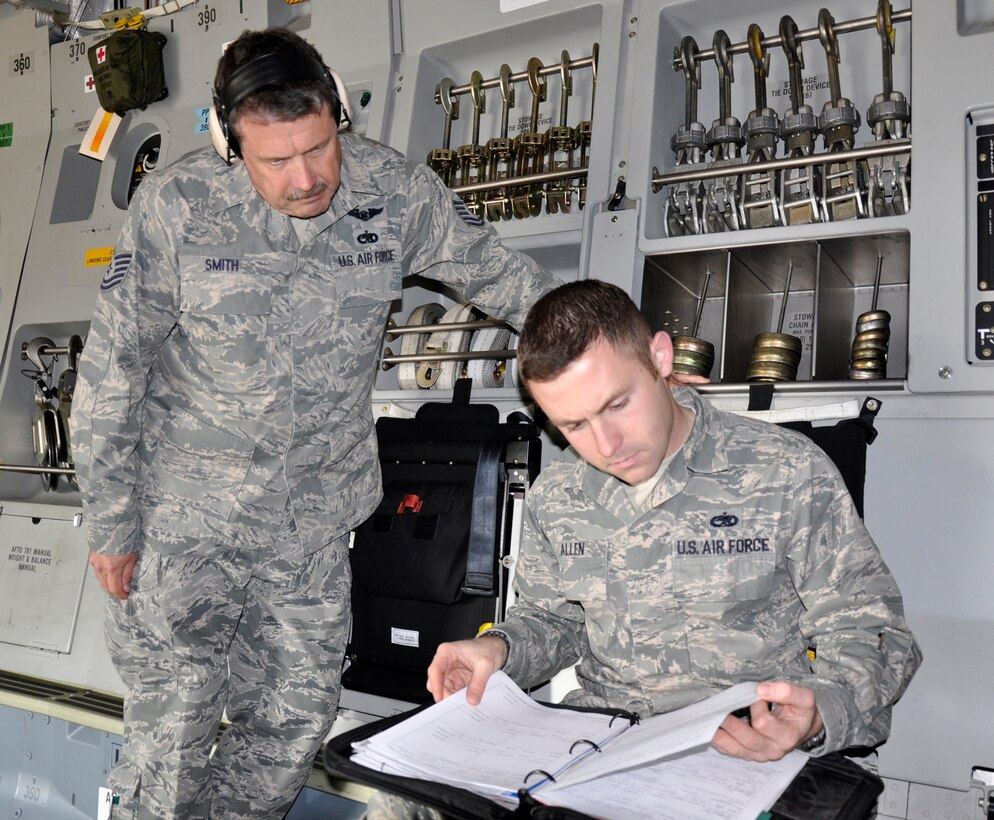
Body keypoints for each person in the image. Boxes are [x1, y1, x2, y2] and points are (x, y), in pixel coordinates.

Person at [71, 26, 559, 820]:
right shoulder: (178, 208)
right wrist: (113, 523)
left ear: (337, 113)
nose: (305, 178)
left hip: (310, 532)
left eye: (318, 147)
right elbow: (112, 370)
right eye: (275, 160)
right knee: (175, 741)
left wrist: (615, 346)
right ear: (233, 145)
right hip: (187, 525)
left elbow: (502, 278)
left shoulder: (391, 192)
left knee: (293, 727)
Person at [426, 279, 922, 763]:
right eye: (574, 426)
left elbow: (871, 627)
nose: (606, 446)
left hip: (747, 748)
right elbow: (556, 622)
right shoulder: (555, 496)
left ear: (661, 358)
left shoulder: (785, 469)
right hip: (602, 744)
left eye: (617, 404)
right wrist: (497, 649)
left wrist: (818, 715)